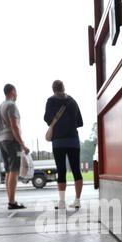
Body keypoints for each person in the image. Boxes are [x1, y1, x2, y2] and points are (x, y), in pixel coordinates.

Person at [44, 80, 84, 210]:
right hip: (73, 140)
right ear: (64, 88)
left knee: (61, 171)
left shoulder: (50, 101)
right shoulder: (72, 101)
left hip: (58, 142)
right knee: (76, 170)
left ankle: (62, 202)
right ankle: (77, 200)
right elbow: (80, 122)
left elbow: (47, 118)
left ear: (53, 89)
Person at [0, 84, 29, 210]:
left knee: (8, 172)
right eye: (16, 92)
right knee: (14, 171)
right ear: (12, 92)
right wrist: (22, 144)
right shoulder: (11, 105)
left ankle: (10, 200)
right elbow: (14, 126)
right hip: (12, 141)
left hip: (2, 141)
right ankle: (12, 202)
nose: (17, 95)